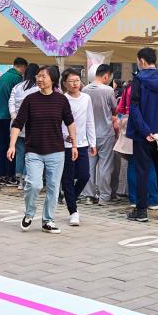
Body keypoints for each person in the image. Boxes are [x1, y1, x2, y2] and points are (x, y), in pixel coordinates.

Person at [9, 65, 76, 233]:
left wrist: (74, 144)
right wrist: (12, 145)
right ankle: (29, 213)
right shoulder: (30, 99)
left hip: (56, 151)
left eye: (43, 76)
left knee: (53, 187)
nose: (39, 79)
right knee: (34, 184)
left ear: (52, 79)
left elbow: (70, 122)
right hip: (34, 151)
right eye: (38, 76)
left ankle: (48, 220)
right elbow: (17, 124)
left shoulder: (61, 100)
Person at [124, 47, 158, 222]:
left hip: (142, 135)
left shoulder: (139, 80)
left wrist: (145, 131)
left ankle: (141, 211)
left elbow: (135, 108)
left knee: (142, 171)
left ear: (142, 61)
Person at [59, 68, 94, 226]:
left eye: (77, 80)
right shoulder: (62, 99)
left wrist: (92, 142)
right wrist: (63, 136)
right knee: (67, 178)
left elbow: (89, 121)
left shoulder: (86, 98)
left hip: (82, 144)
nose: (75, 84)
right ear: (65, 84)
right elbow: (58, 122)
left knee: (84, 175)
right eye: (71, 81)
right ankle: (73, 211)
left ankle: (68, 196)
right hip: (66, 144)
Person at [84, 64, 119, 204]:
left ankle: (89, 195)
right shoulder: (108, 90)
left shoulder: (85, 89)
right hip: (106, 132)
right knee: (105, 166)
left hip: (89, 133)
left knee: (89, 166)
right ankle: (104, 196)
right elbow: (115, 109)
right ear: (106, 76)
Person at [0, 58, 27, 186]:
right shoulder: (17, 79)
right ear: (23, 67)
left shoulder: (3, 76)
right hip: (9, 117)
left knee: (1, 148)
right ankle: (10, 175)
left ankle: (1, 175)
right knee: (12, 147)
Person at [9, 64, 40, 190]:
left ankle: (19, 179)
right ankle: (26, 179)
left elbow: (11, 103)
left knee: (20, 152)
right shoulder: (37, 88)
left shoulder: (17, 87)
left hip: (17, 124)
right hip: (32, 125)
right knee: (30, 153)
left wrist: (14, 116)